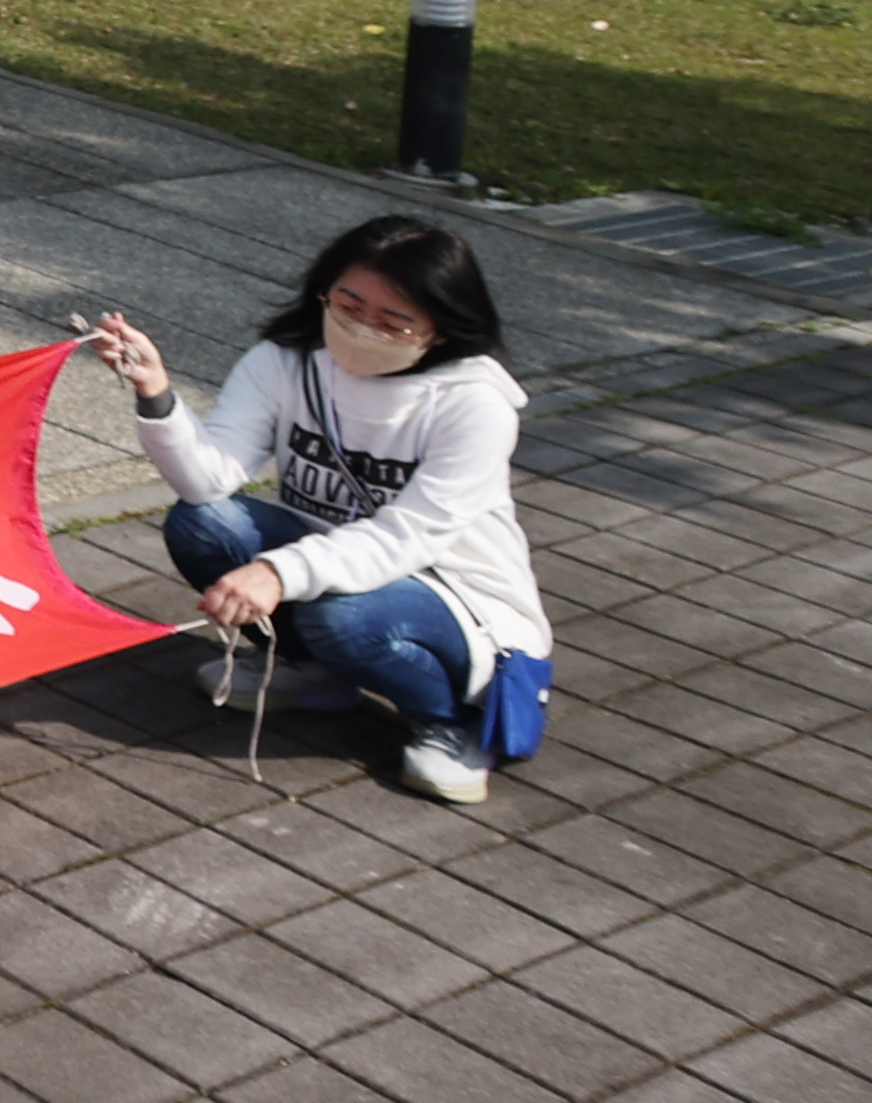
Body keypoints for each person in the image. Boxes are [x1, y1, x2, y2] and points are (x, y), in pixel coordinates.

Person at [81, 219, 552, 805]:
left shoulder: (474, 404)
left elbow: (406, 538)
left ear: (440, 328)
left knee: (345, 619)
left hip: (451, 591)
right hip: (329, 562)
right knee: (202, 523)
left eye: (393, 321)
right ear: (323, 291)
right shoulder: (286, 361)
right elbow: (209, 479)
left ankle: (451, 721)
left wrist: (277, 572)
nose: (361, 328)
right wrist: (155, 390)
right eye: (349, 305)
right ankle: (314, 672)